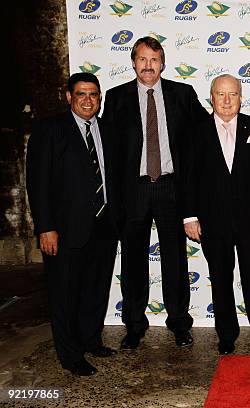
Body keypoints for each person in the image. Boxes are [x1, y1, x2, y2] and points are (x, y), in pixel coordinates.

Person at [102, 36, 206, 349]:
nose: (148, 66)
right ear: (133, 62)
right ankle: (134, 325)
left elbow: (207, 132)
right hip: (133, 191)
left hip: (172, 188)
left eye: (154, 60)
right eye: (143, 59)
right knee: (133, 260)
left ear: (163, 63)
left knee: (175, 260)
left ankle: (178, 323)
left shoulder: (182, 94)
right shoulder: (116, 97)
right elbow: (110, 152)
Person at [182, 74, 250, 363]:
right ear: (211, 98)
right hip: (212, 221)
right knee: (220, 278)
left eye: (233, 94)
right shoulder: (196, 131)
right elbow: (188, 178)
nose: (227, 100)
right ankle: (226, 336)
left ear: (241, 97)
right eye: (221, 94)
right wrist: (189, 216)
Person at [26, 73, 119, 375]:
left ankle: (90, 340)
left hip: (104, 225)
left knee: (95, 289)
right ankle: (70, 355)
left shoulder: (107, 129)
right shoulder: (49, 130)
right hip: (64, 230)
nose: (88, 100)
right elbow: (38, 184)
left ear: (99, 97)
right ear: (69, 97)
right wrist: (45, 227)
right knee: (65, 294)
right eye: (81, 94)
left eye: (93, 94)